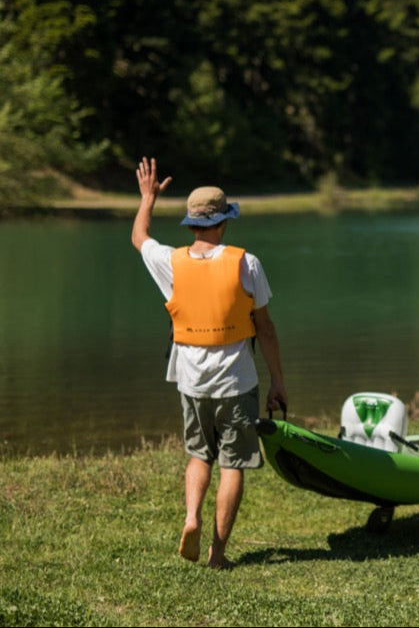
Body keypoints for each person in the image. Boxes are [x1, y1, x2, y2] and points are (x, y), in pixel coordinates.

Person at [131, 157, 287, 569]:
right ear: (223, 222)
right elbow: (265, 329)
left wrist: (148, 198)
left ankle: (190, 517)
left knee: (200, 455)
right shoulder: (246, 263)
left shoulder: (170, 261)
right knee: (233, 463)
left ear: (191, 223)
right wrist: (278, 381)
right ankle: (218, 554)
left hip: (191, 379)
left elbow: (139, 236)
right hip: (237, 380)